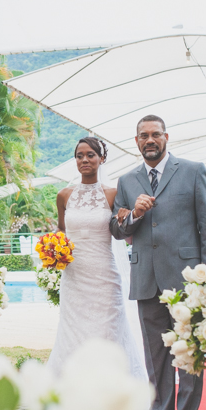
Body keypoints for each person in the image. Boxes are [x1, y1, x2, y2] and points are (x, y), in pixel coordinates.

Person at [109, 115, 206, 410]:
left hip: (187, 279)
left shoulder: (193, 171)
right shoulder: (127, 181)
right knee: (155, 356)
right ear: (137, 141)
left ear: (166, 137)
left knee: (189, 355)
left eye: (155, 134)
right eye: (144, 136)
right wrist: (135, 215)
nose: (150, 140)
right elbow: (117, 229)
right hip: (147, 280)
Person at [48, 138, 148, 383]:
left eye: (90, 155)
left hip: (104, 275)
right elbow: (61, 231)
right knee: (73, 332)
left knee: (107, 332)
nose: (84, 160)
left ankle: (109, 387)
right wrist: (53, 250)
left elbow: (121, 229)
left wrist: (128, 217)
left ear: (101, 159)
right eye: (80, 155)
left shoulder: (113, 194)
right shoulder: (63, 195)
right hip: (74, 277)